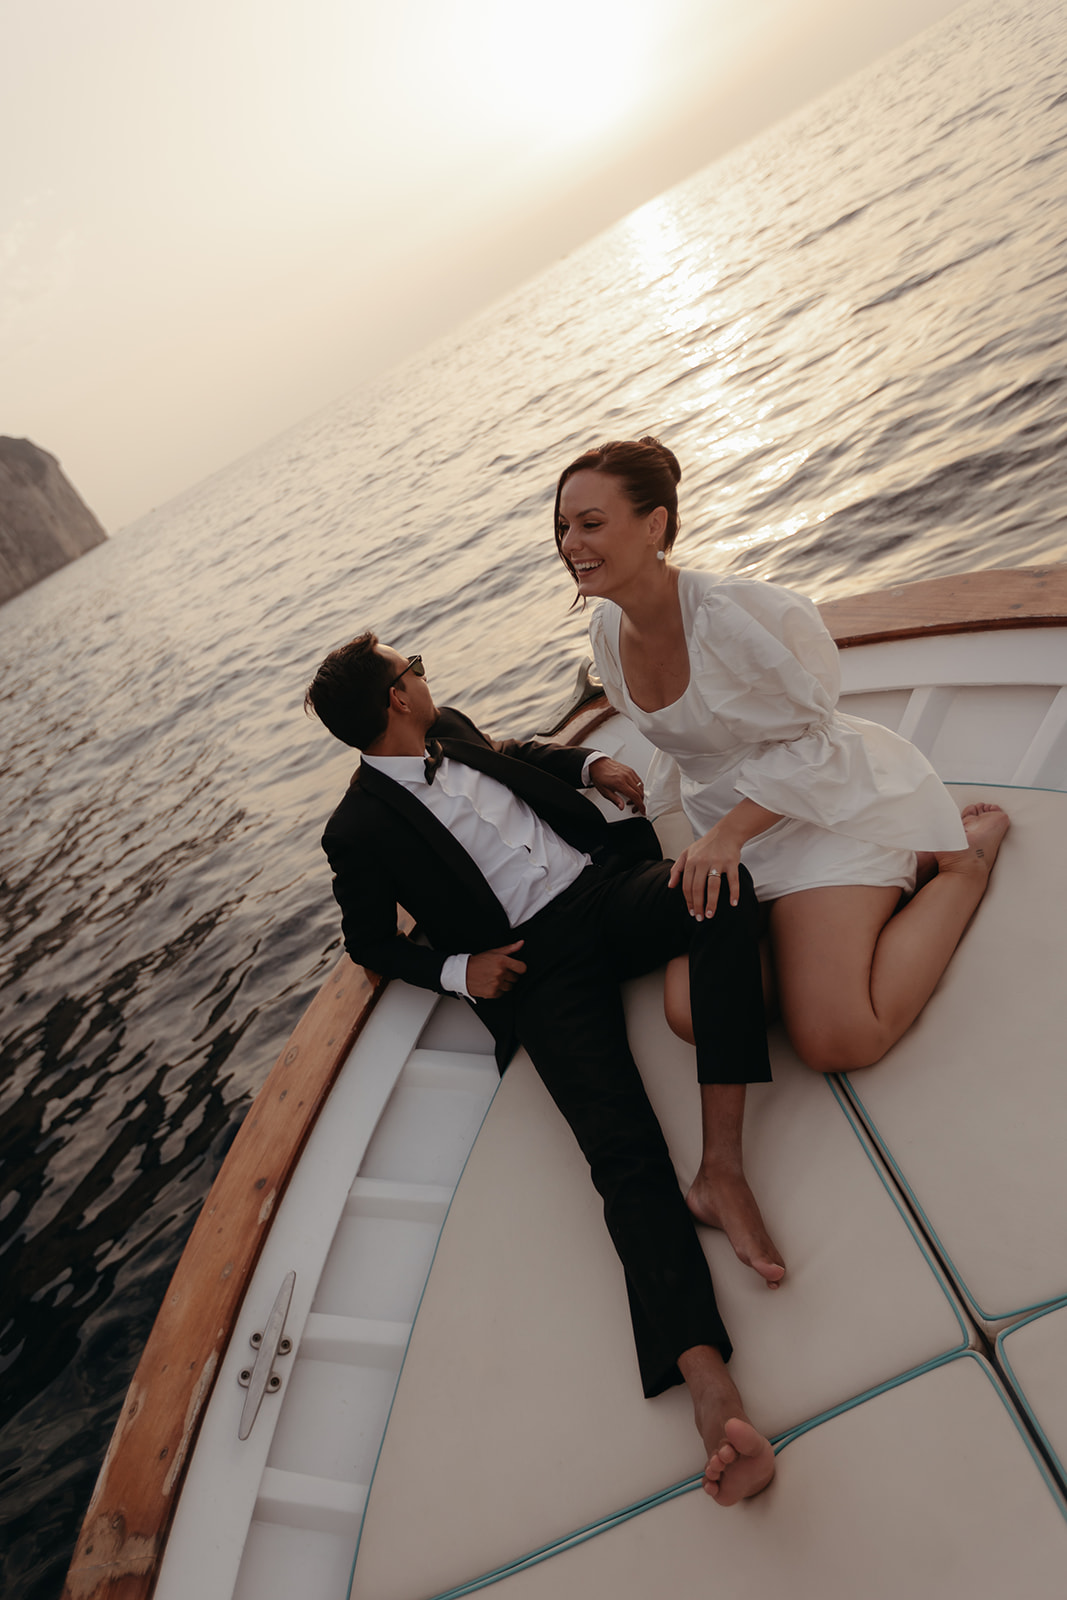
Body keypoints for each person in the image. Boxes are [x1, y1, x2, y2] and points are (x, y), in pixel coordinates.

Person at [305, 632, 777, 1503]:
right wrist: (462, 971)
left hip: (603, 890)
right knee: (617, 1149)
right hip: (532, 968)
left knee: (722, 888)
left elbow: (511, 754)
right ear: (395, 699)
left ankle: (722, 1167)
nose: (424, 672)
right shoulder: (357, 828)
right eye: (412, 667)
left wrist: (590, 764)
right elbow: (369, 942)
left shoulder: (448, 726)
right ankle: (709, 1386)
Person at [555, 435, 1010, 1286]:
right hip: (729, 834)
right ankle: (847, 917)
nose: (571, 544)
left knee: (834, 1037)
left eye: (591, 523)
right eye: (563, 527)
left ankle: (954, 865)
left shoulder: (732, 616)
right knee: (691, 1014)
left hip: (817, 809)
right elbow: (687, 744)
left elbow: (815, 739)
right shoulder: (608, 631)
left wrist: (730, 833)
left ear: (654, 525)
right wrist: (676, 814)